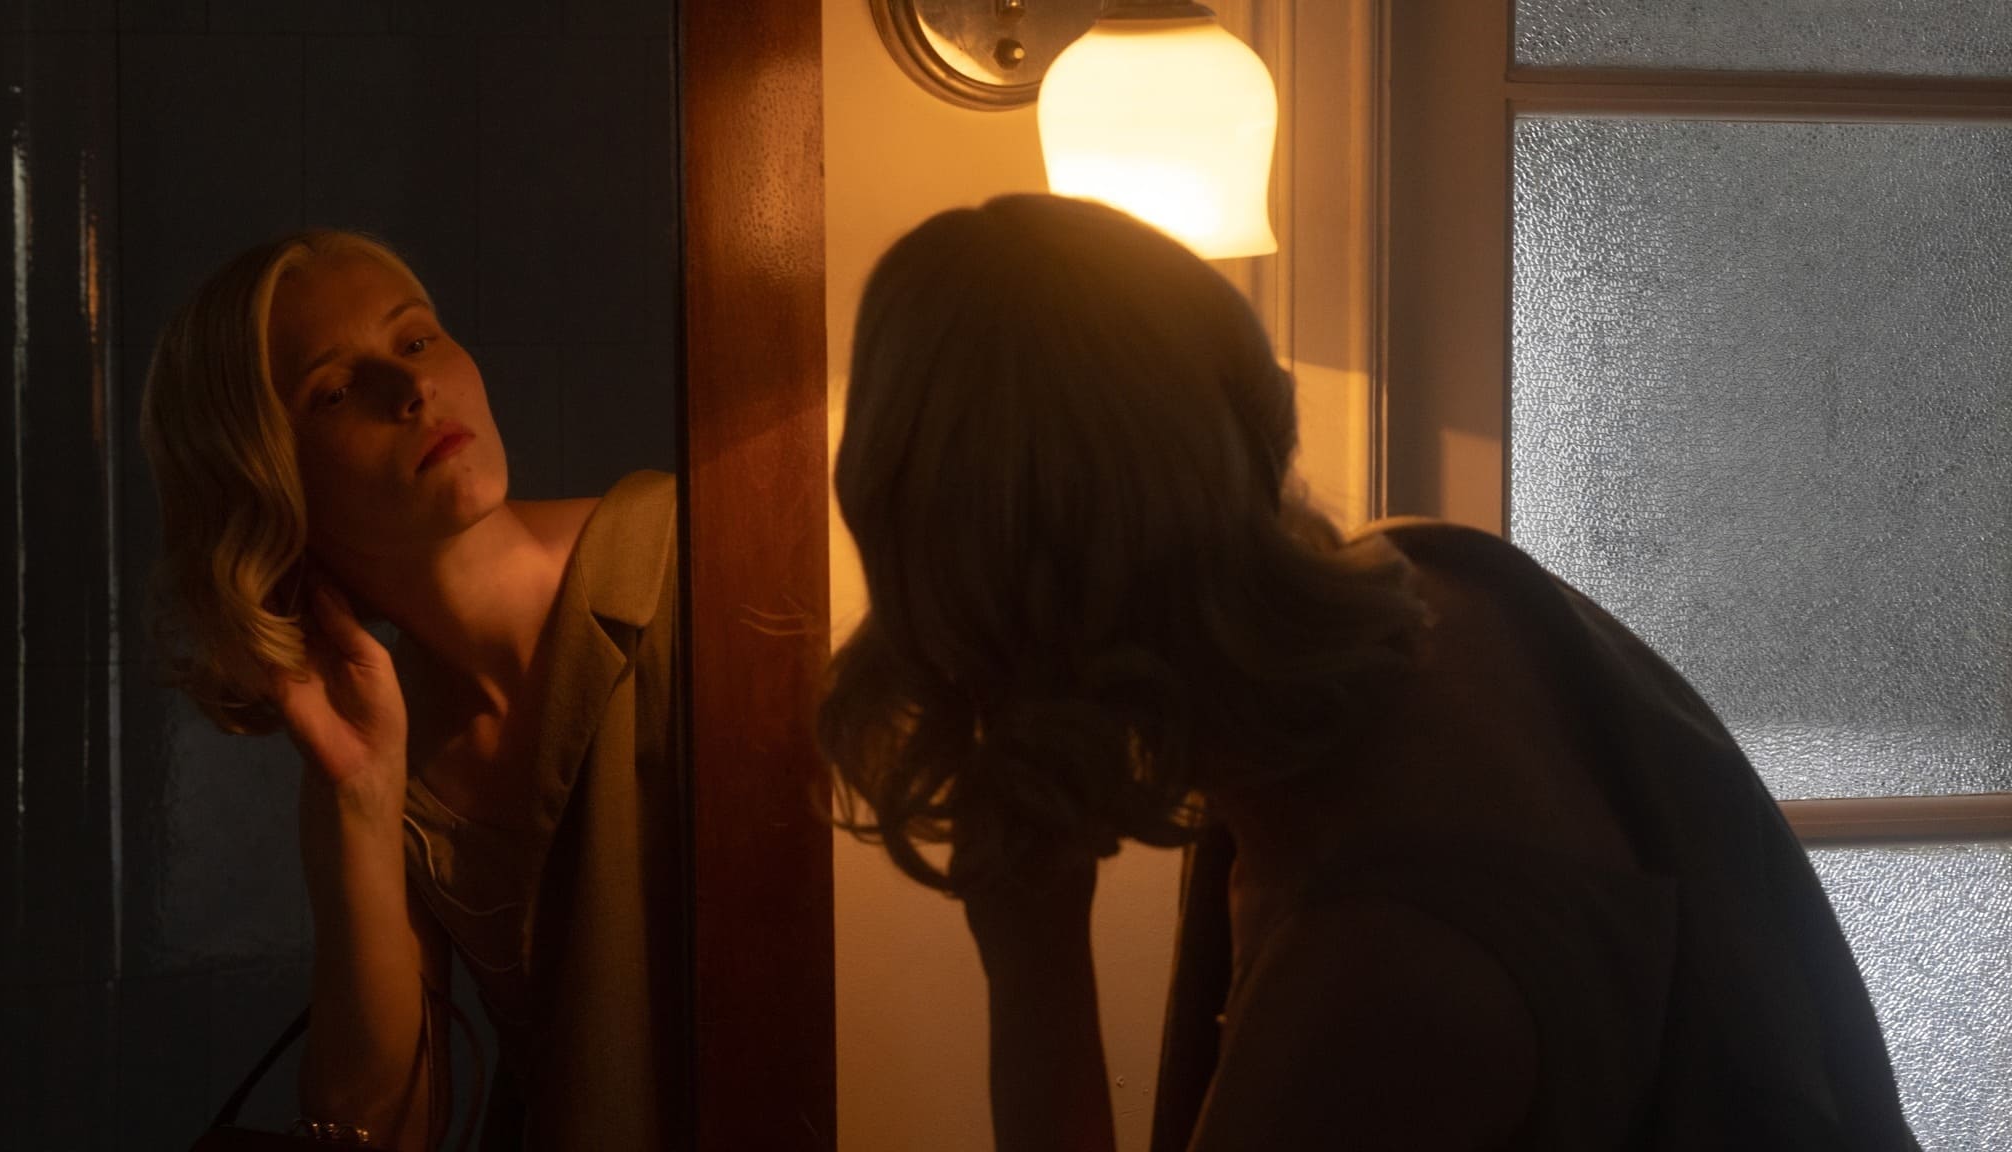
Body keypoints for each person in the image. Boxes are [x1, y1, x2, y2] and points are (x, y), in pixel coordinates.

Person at [820, 194, 1920, 1151]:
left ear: (970, 588)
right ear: (1250, 405)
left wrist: (1033, 964)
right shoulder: (1447, 576)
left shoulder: (1371, 984)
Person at [142, 231, 684, 1150]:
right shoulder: (390, 773)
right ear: (268, 487)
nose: (412, 388)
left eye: (418, 339)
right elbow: (376, 1132)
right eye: (334, 391)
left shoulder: (689, 552)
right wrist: (361, 800)